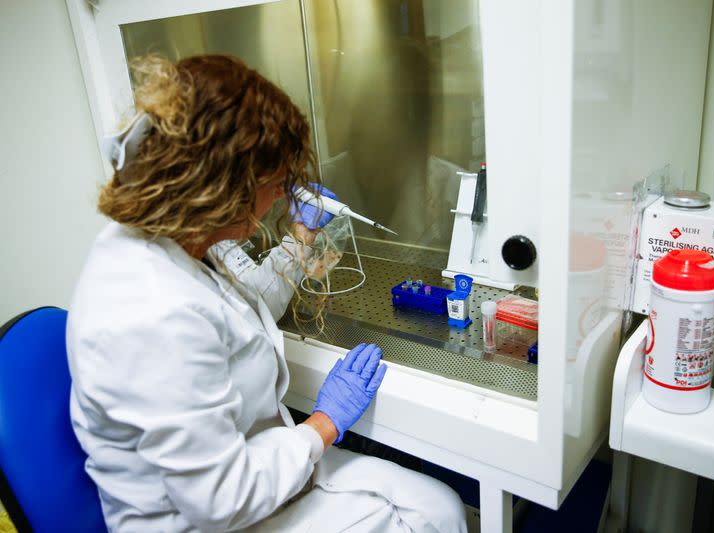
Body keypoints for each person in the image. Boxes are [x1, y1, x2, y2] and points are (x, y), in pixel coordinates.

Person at [67, 54, 466, 533]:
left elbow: (240, 303)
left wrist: (298, 240)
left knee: (437, 507)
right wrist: (324, 423)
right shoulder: (149, 312)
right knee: (429, 519)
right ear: (218, 187)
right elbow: (221, 500)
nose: (282, 195)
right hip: (209, 517)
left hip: (259, 461)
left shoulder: (172, 238)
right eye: (275, 182)